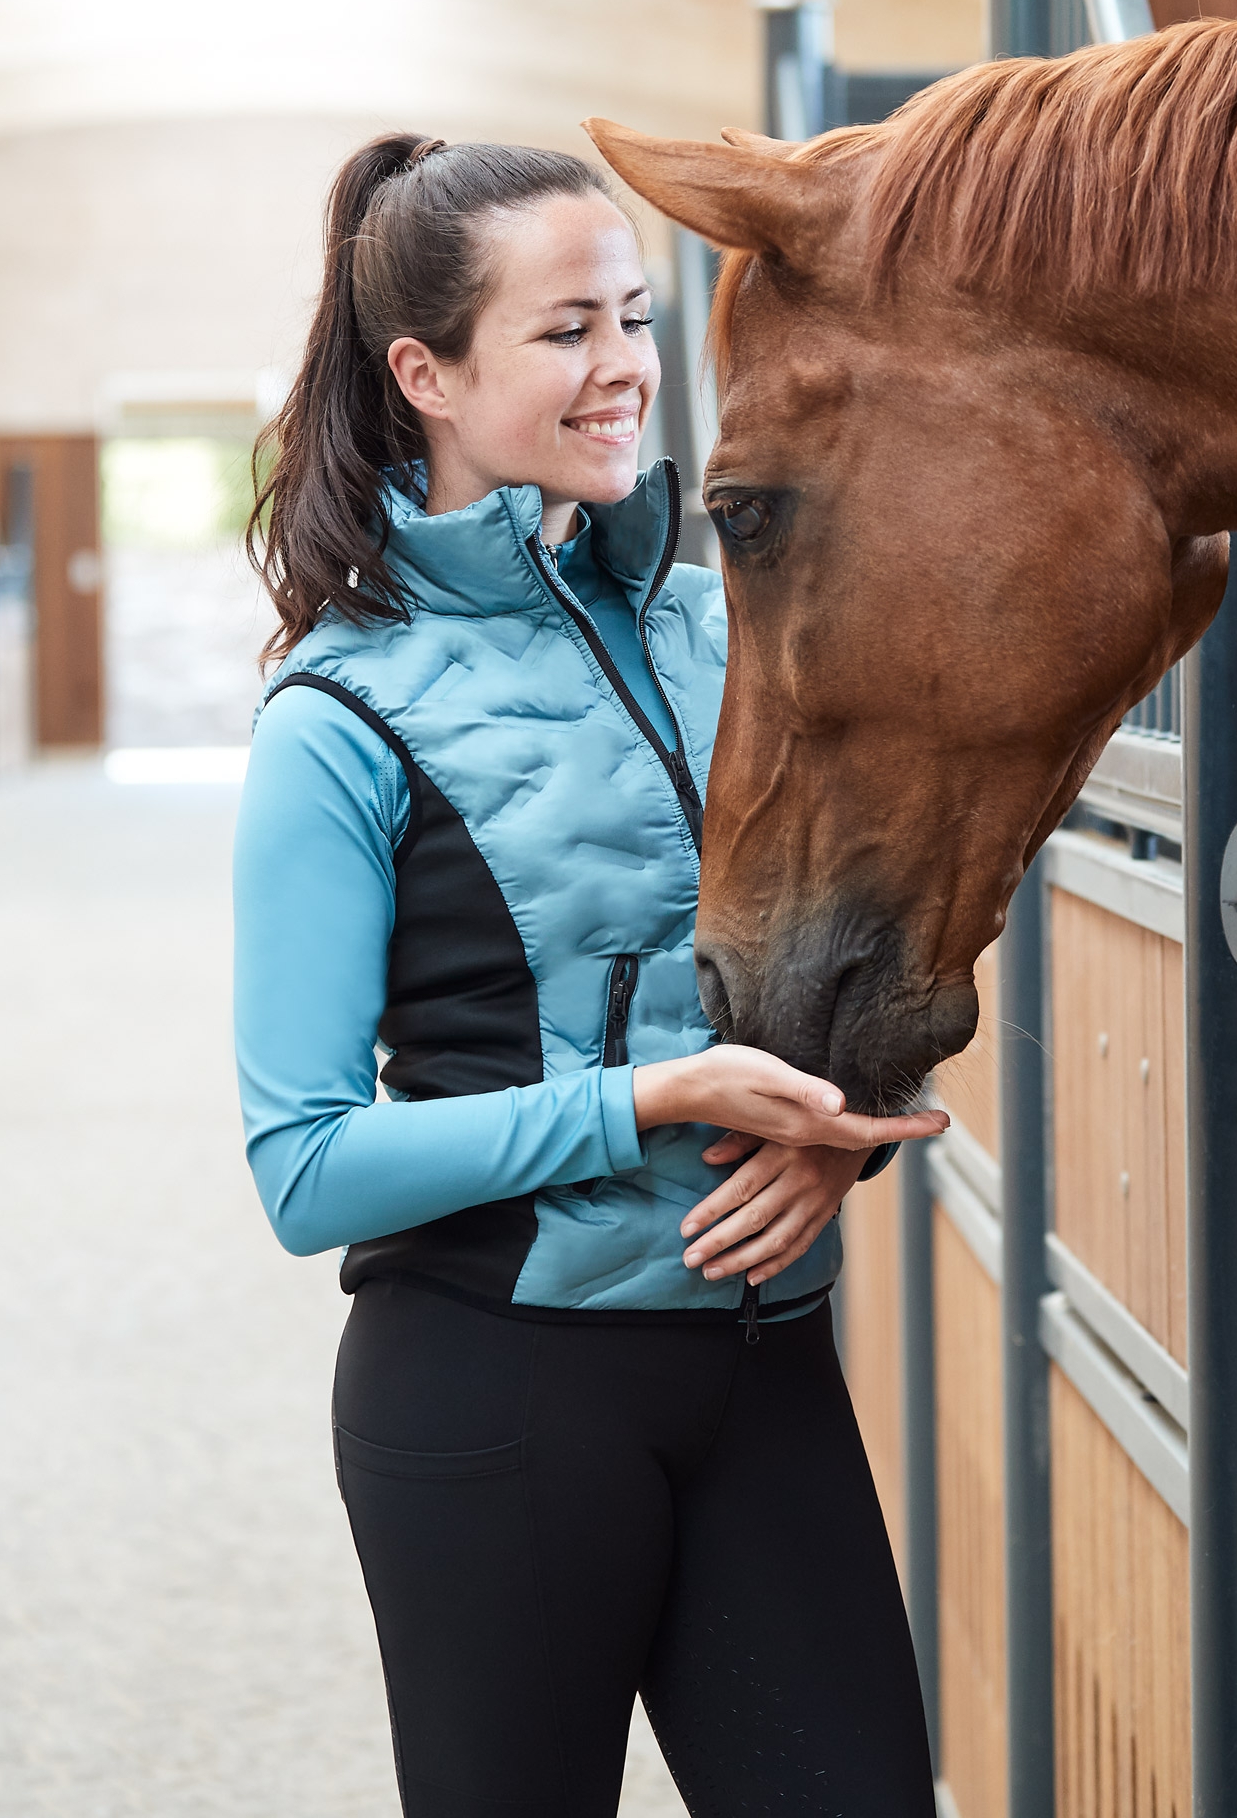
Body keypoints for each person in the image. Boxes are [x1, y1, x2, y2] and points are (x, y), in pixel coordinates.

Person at [232, 132, 947, 1818]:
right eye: (564, 332)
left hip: (766, 1370)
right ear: (426, 372)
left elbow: (854, 920)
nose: (623, 368)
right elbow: (305, 1164)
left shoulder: (727, 622)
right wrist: (660, 1100)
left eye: (632, 317)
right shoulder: (338, 721)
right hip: (500, 1395)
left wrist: (838, 1119)